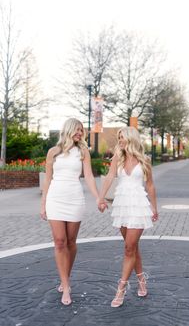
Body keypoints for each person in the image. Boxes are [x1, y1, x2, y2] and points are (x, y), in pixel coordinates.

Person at [40, 118, 106, 306]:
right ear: (68, 130)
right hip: (55, 199)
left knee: (71, 242)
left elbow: (89, 177)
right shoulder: (53, 152)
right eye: (77, 130)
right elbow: (47, 180)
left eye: (81, 130)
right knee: (59, 242)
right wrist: (43, 204)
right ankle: (66, 285)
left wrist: (98, 198)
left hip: (75, 199)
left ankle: (65, 277)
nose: (80, 133)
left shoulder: (83, 152)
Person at [98, 126, 159, 308]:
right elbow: (109, 177)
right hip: (122, 205)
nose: (120, 141)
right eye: (119, 138)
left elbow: (150, 186)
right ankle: (141, 280)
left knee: (128, 247)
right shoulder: (118, 157)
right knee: (132, 248)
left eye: (122, 137)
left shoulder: (145, 160)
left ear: (131, 138)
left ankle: (121, 288)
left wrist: (154, 208)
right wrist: (100, 198)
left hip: (139, 206)